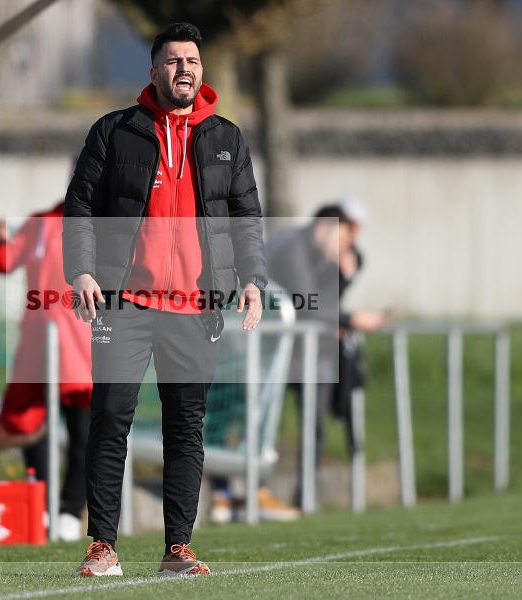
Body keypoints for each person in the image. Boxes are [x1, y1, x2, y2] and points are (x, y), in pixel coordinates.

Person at [64, 22, 266, 577]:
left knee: (186, 426)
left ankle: (178, 548)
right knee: (109, 417)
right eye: (174, 61)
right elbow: (80, 206)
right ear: (153, 71)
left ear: (203, 71)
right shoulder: (114, 132)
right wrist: (81, 270)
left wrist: (252, 279)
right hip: (124, 303)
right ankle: (102, 546)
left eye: (193, 61)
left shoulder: (226, 136)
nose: (185, 70)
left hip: (196, 309)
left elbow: (247, 217)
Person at [0, 200, 92, 542]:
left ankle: (71, 511)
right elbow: (6, 262)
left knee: (84, 432)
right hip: (36, 341)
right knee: (28, 424)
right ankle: (41, 504)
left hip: (81, 343)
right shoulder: (40, 220)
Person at [266, 201, 386, 504]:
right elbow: (308, 304)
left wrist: (344, 278)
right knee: (263, 422)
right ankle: (248, 494)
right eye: (344, 237)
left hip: (311, 351)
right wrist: (352, 319)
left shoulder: (328, 252)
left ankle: (304, 498)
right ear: (325, 228)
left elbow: (328, 302)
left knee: (314, 425)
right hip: (271, 351)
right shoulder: (291, 247)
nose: (348, 245)